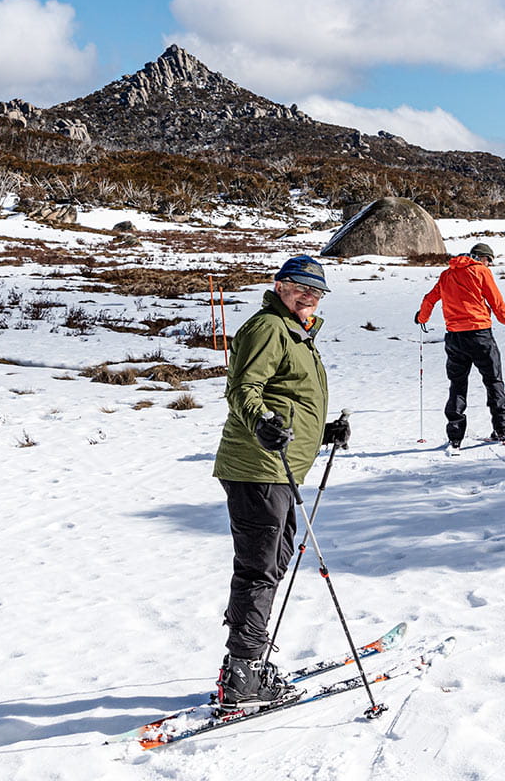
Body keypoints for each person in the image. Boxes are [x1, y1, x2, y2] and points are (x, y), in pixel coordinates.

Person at [211, 255, 352, 711]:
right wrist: (262, 424)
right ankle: (244, 672)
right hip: (257, 465)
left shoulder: (297, 333)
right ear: (279, 286)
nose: (307, 296)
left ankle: (244, 657)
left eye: (315, 291)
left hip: (277, 466)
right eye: (299, 288)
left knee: (274, 557)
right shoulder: (270, 326)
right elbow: (243, 390)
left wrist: (321, 431)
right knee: (259, 566)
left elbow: (286, 397)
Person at [415, 243, 505, 448]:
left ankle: (455, 434)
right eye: (489, 260)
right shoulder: (481, 272)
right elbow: (496, 302)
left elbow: (430, 298)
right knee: (493, 380)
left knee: (458, 384)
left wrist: (422, 317)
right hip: (480, 335)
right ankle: (501, 429)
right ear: (481, 258)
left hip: (455, 337)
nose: (489, 264)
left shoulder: (447, 275)